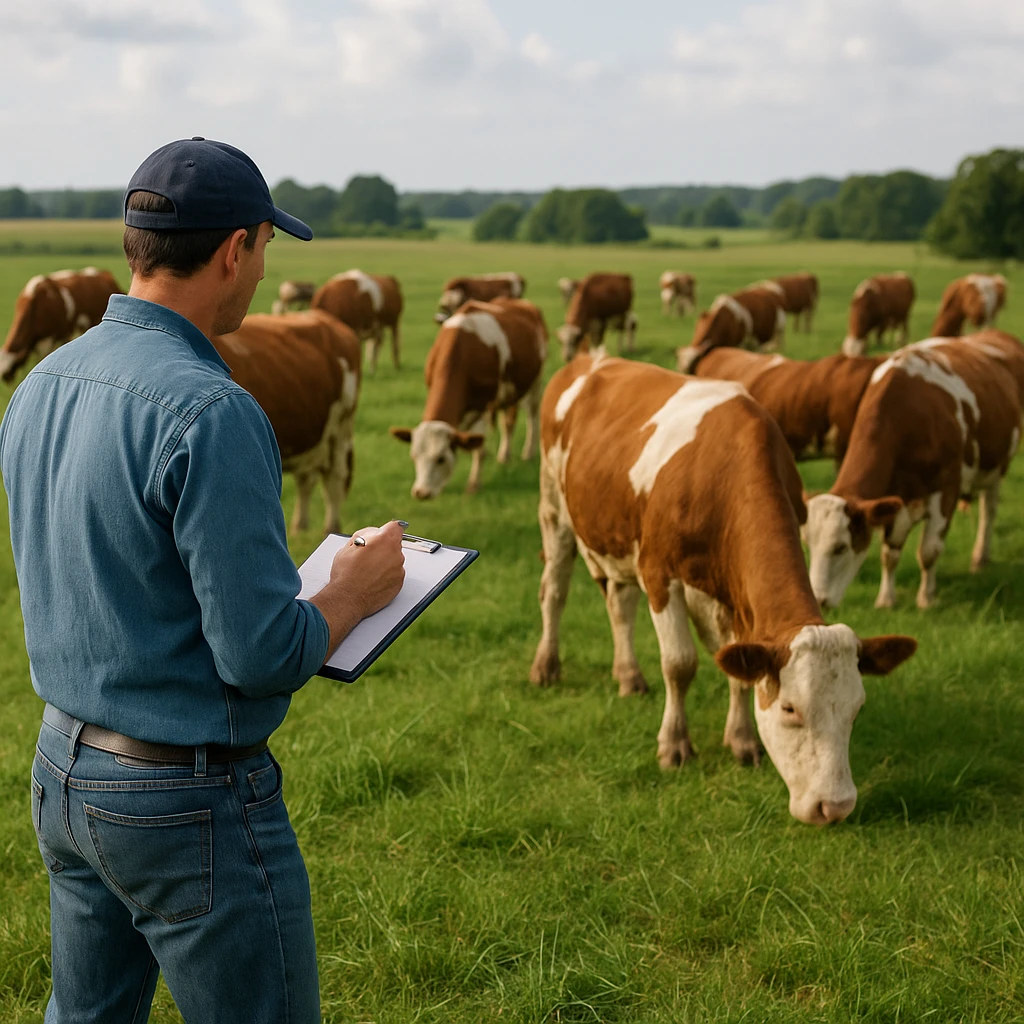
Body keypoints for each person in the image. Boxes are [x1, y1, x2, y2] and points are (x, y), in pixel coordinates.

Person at [0, 138, 405, 1023]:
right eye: (264, 249)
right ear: (236, 248)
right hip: (184, 796)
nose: (262, 273)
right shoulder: (213, 410)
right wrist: (354, 590)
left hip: (63, 766)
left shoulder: (40, 382)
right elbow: (262, 653)